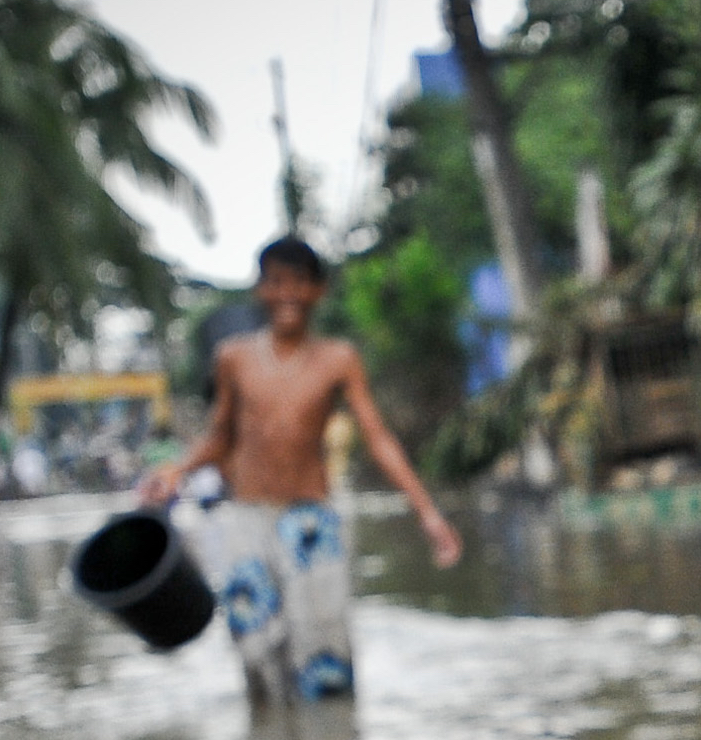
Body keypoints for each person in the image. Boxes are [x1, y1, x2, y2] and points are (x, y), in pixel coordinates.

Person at [138, 237, 464, 702]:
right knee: (254, 648)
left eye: (297, 282)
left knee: (324, 653)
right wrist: (177, 471)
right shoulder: (234, 357)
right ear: (260, 291)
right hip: (247, 517)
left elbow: (378, 438)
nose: (286, 293)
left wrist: (427, 513)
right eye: (274, 282)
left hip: (311, 519)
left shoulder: (338, 358)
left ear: (317, 291)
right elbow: (220, 437)